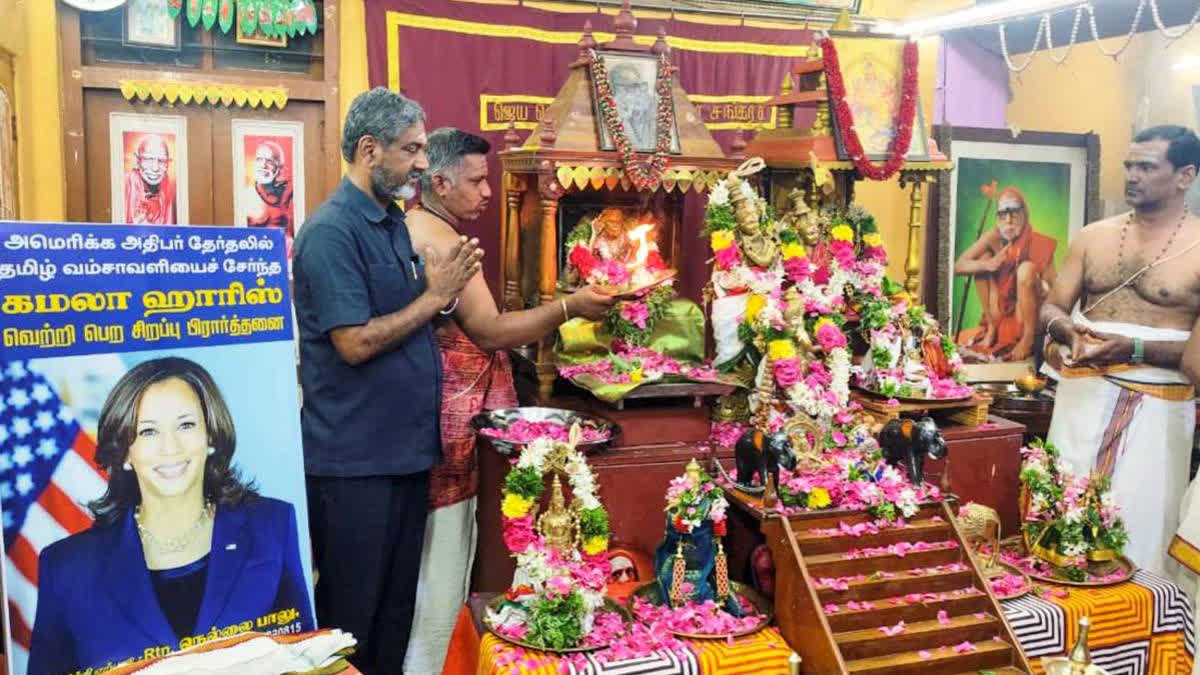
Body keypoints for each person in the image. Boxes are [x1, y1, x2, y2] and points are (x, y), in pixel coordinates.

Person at [402, 128, 613, 673]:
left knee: (437, 572)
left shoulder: (417, 225)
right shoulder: (439, 241)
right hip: (446, 429)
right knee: (440, 579)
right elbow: (491, 331)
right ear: (440, 181)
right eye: (476, 181)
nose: (488, 192)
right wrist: (570, 307)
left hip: (434, 425)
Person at [292, 88, 481, 673]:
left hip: (403, 456)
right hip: (355, 467)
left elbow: (408, 316)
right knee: (350, 624)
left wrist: (439, 299)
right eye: (412, 149)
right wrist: (438, 297)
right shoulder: (331, 232)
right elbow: (354, 343)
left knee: (394, 615)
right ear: (369, 150)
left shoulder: (392, 225)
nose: (423, 162)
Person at [28, 357, 314, 673]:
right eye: (148, 431)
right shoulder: (67, 567)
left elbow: (305, 659)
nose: (170, 448)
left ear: (211, 436)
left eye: (186, 425)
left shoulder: (272, 526)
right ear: (124, 451)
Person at [1039, 125, 1200, 577]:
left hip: (1156, 409)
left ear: (1185, 175)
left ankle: (1134, 633)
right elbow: (1053, 304)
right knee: (1061, 511)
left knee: (1139, 527)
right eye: (1130, 165)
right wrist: (1064, 331)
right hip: (1080, 395)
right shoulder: (1093, 235)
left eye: (1147, 166)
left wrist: (1135, 348)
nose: (1132, 175)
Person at [955, 186, 1058, 361]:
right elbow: (959, 266)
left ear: (1024, 214)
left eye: (1014, 213)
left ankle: (1027, 338)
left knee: (1027, 269)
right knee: (982, 260)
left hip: (1026, 316)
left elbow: (1056, 291)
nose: (1008, 220)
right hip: (999, 313)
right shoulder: (994, 235)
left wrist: (1042, 287)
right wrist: (989, 264)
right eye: (1003, 214)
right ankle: (992, 329)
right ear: (997, 217)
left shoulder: (1038, 241)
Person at [124, 134, 176, 225]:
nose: (155, 168)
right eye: (148, 159)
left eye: (161, 161)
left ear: (168, 163)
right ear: (137, 160)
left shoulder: (170, 189)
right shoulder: (125, 185)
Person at [245, 140, 294, 232]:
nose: (263, 166)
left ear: (279, 167)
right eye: (259, 159)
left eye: (269, 161)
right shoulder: (247, 195)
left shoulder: (289, 193)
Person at [609, 62, 655, 149]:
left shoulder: (649, 110)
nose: (639, 91)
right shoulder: (614, 112)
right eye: (634, 86)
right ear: (619, 88)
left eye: (640, 85)